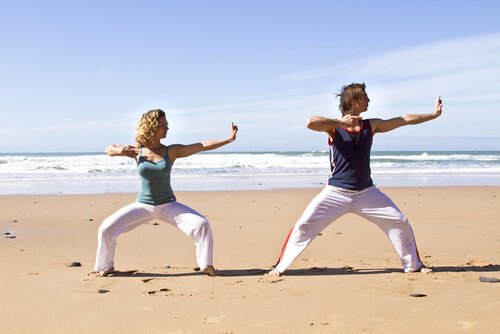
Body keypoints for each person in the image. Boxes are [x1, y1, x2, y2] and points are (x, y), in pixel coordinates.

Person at [268, 83, 442, 276]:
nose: (369, 100)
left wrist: (432, 115)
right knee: (303, 225)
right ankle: (279, 268)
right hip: (335, 192)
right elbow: (311, 122)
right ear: (354, 100)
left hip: (367, 193)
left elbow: (404, 120)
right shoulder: (334, 127)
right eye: (365, 97)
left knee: (400, 221)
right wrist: (342, 123)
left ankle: (413, 265)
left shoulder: (371, 125)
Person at [94, 109, 238, 277]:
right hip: (143, 205)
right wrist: (120, 151)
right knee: (106, 228)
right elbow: (109, 149)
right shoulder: (137, 151)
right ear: (152, 127)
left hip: (168, 204)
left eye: (167, 125)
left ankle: (206, 265)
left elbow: (202, 145)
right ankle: (105, 267)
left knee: (201, 225)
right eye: (163, 125)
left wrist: (229, 139)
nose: (167, 128)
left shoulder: (171, 151)